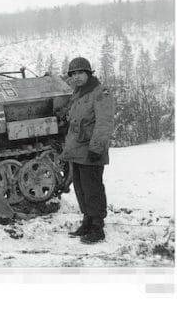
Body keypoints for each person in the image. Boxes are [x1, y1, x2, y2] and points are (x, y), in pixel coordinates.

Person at [60, 57, 115, 244]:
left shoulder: (100, 92)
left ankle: (97, 227)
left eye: (80, 73)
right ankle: (87, 221)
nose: (76, 77)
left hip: (91, 150)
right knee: (81, 188)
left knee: (93, 189)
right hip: (76, 150)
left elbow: (104, 122)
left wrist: (97, 147)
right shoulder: (78, 94)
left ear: (89, 74)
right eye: (73, 74)